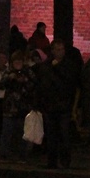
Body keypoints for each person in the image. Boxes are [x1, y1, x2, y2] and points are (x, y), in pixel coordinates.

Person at [35, 39, 78, 169]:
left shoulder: (68, 65)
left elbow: (70, 82)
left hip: (63, 105)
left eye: (61, 49)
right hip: (49, 105)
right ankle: (52, 161)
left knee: (64, 134)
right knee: (51, 134)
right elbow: (42, 84)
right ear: (52, 51)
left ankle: (65, 161)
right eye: (57, 49)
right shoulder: (46, 65)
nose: (59, 52)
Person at [0, 51, 35, 161]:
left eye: (19, 61)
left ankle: (22, 155)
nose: (17, 63)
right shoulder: (9, 72)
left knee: (22, 133)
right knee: (7, 132)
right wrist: (10, 78)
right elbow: (0, 85)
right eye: (15, 61)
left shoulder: (28, 72)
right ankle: (4, 155)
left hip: (23, 107)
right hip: (10, 107)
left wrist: (25, 80)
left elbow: (34, 85)